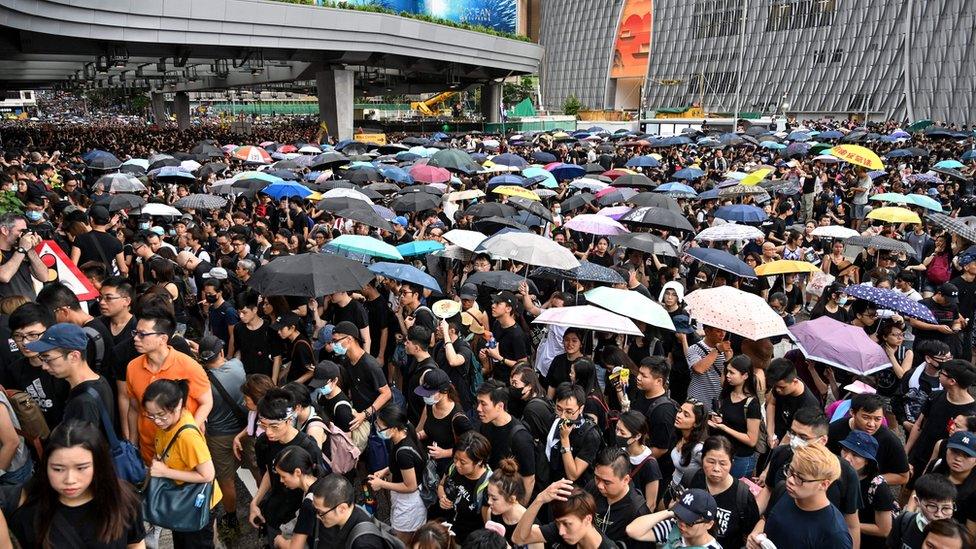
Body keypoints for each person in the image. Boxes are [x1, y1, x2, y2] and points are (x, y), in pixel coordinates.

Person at [9, 421, 145, 548]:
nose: (69, 479)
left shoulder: (124, 499)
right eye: (58, 469)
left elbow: (135, 543)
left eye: (81, 468)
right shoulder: (29, 515)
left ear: (99, 464)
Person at [126, 303, 212, 464]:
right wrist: (132, 443)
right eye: (135, 333)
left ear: (163, 338)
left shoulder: (188, 366)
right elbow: (134, 408)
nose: (136, 338)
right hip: (149, 452)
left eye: (142, 334)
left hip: (183, 454)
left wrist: (187, 431)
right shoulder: (132, 367)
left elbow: (206, 402)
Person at [142, 379, 222, 548]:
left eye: (161, 415)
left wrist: (165, 472)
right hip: (181, 499)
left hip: (196, 503)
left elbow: (207, 474)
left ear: (177, 406)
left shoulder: (187, 436)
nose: (156, 420)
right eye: (151, 415)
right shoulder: (168, 423)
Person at [249, 388, 324, 545]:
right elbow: (270, 473)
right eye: (263, 425)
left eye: (274, 426)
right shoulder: (263, 442)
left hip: (298, 516)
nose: (268, 432)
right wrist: (255, 501)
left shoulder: (308, 447)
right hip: (274, 509)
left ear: (289, 420)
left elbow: (317, 487)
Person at [748, 443, 853, 549]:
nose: (790, 480)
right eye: (790, 471)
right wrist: (755, 535)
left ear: (824, 484)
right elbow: (766, 519)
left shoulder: (835, 534)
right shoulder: (782, 490)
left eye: (800, 479)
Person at [26, 323, 117, 439]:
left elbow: (82, 450)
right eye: (42, 359)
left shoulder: (83, 401)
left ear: (74, 356)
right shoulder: (99, 381)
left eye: (47, 358)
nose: (44, 366)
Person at [197, 334, 247, 537]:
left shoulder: (203, 383)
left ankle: (231, 517)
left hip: (218, 436)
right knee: (256, 469)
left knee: (226, 480)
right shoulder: (237, 366)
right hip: (245, 431)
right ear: (220, 352)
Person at [685, 435, 761, 548]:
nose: (716, 468)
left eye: (723, 463)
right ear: (702, 460)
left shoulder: (743, 496)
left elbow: (750, 534)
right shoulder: (692, 478)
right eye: (711, 462)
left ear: (731, 463)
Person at [907, 360, 976, 481]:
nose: (939, 374)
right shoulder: (935, 396)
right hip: (919, 455)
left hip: (945, 464)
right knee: (907, 490)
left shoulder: (972, 412)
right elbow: (918, 425)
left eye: (942, 373)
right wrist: (906, 452)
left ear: (952, 381)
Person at [368, 404, 428, 543]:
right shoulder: (403, 436)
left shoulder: (403, 453)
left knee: (400, 543)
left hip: (409, 504)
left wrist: (381, 484)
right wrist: (385, 471)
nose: (378, 429)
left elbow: (410, 486)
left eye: (380, 427)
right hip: (405, 500)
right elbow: (399, 466)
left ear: (394, 429)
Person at [828, 393, 911, 486]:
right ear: (852, 412)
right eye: (866, 417)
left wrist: (873, 481)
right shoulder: (833, 430)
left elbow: (903, 476)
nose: (871, 424)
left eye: (877, 419)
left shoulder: (890, 440)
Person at [512, 480, 620, 549]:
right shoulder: (562, 530)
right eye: (558, 524)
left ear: (588, 519)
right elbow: (519, 539)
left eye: (567, 524)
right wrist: (539, 500)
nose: (561, 531)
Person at [476, 380, 536, 503]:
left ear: (500, 406)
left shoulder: (520, 438)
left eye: (483, 404)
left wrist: (520, 511)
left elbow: (529, 479)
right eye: (478, 403)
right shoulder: (486, 425)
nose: (478, 408)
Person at [838, 430, 897, 549]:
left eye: (855, 455)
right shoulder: (836, 474)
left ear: (867, 461)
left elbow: (884, 530)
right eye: (845, 450)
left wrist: (849, 525)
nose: (847, 458)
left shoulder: (878, 487)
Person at [710, 354, 763, 478]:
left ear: (745, 376)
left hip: (741, 459)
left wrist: (724, 428)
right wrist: (719, 420)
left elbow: (751, 440)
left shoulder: (752, 404)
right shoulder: (726, 394)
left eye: (732, 373)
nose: (728, 375)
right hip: (724, 453)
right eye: (727, 371)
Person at [585, 448, 651, 546]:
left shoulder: (638, 513)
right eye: (597, 478)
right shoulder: (592, 488)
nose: (599, 485)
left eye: (607, 482)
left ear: (625, 480)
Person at [435, 431, 492, 543]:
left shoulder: (487, 485)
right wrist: (442, 497)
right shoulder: (454, 467)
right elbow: (441, 485)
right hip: (447, 529)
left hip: (468, 539)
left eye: (463, 462)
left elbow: (487, 524)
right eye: (455, 458)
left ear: (479, 461)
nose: (457, 464)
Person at [416, 368, 472, 475]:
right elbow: (430, 429)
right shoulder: (430, 406)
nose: (426, 396)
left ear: (444, 391)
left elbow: (469, 447)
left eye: (430, 393)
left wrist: (444, 453)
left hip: (449, 468)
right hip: (430, 465)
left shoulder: (458, 418)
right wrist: (417, 435)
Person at [625, 487, 722, 548]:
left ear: (709, 524)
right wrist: (670, 512)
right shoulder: (672, 528)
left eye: (689, 522)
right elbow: (632, 530)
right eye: (680, 517)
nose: (682, 525)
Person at [548, 383, 603, 488]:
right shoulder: (554, 419)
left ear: (581, 408)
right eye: (559, 409)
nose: (563, 416)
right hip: (553, 481)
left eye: (569, 411)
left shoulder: (590, 435)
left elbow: (573, 475)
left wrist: (564, 439)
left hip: (575, 491)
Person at [308, 474, 385, 548]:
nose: (317, 516)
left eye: (321, 512)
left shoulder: (364, 543)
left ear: (342, 508)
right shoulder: (349, 513)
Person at [924, 430, 976, 535]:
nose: (958, 458)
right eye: (954, 451)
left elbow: (970, 534)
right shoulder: (936, 465)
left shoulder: (974, 491)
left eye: (966, 455)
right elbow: (918, 491)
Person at [888, 473, 958, 549]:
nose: (939, 514)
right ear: (917, 501)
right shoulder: (904, 521)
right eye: (932, 506)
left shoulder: (957, 536)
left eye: (946, 508)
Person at [273, 446, 323, 549]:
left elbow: (295, 547)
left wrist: (279, 541)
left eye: (283, 476)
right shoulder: (322, 480)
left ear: (297, 472)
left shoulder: (309, 503)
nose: (281, 481)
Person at [766, 357, 821, 446]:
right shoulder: (782, 383)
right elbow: (772, 403)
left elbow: (802, 433)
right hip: (776, 434)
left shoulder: (809, 405)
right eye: (775, 386)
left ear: (795, 381)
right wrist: (770, 432)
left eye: (782, 387)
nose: (778, 390)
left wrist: (782, 446)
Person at [614, 410, 662, 506]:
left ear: (637, 436)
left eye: (622, 433)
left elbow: (651, 504)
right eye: (617, 429)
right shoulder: (620, 450)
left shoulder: (650, 465)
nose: (617, 434)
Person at [480, 291, 528, 382]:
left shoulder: (517, 335)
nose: (493, 305)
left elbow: (523, 365)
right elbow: (496, 345)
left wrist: (499, 358)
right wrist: (487, 352)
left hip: (509, 381)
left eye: (498, 303)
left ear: (508, 309)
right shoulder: (497, 323)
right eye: (494, 302)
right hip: (496, 375)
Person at [486, 458, 534, 547]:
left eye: (494, 498)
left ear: (512, 499)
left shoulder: (531, 526)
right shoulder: (492, 513)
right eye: (488, 495)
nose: (489, 502)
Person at [685, 325, 732, 413]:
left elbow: (728, 378)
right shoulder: (694, 349)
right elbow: (699, 369)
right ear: (707, 331)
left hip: (717, 401)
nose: (722, 334)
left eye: (724, 331)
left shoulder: (726, 351)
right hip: (697, 399)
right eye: (718, 331)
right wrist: (717, 350)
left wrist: (728, 359)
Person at [669, 398, 708, 502]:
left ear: (696, 423)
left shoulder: (699, 449)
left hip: (686, 498)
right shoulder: (679, 435)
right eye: (680, 411)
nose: (679, 415)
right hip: (672, 488)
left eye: (686, 415)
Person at [0, 213, 47, 300]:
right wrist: (22, 249)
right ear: (4, 230)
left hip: (29, 309)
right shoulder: (20, 251)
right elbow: (4, 276)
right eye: (21, 231)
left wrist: (31, 250)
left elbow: (44, 277)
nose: (24, 235)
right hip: (7, 310)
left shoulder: (22, 251)